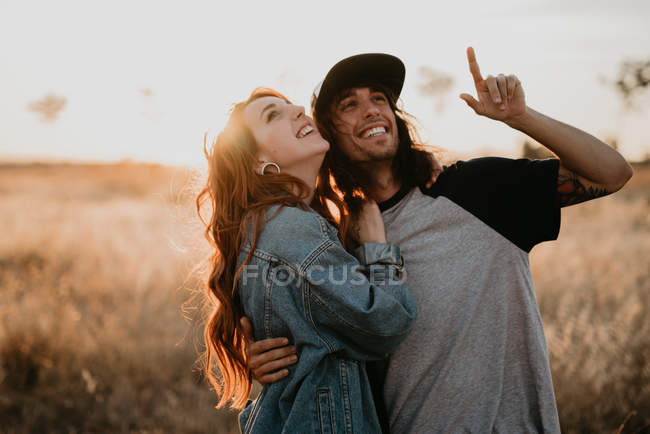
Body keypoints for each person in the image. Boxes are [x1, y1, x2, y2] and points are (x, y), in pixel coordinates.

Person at [242, 48, 634, 433]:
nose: (372, 110)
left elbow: (612, 173)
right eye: (350, 104)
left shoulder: (479, 189)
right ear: (327, 135)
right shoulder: (337, 240)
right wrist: (260, 357)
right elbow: (312, 343)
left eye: (379, 99)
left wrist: (521, 117)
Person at [196, 87, 418, 433]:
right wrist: (377, 250)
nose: (298, 109)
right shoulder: (290, 229)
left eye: (291, 105)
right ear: (256, 161)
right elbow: (386, 323)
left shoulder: (268, 225)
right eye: (273, 115)